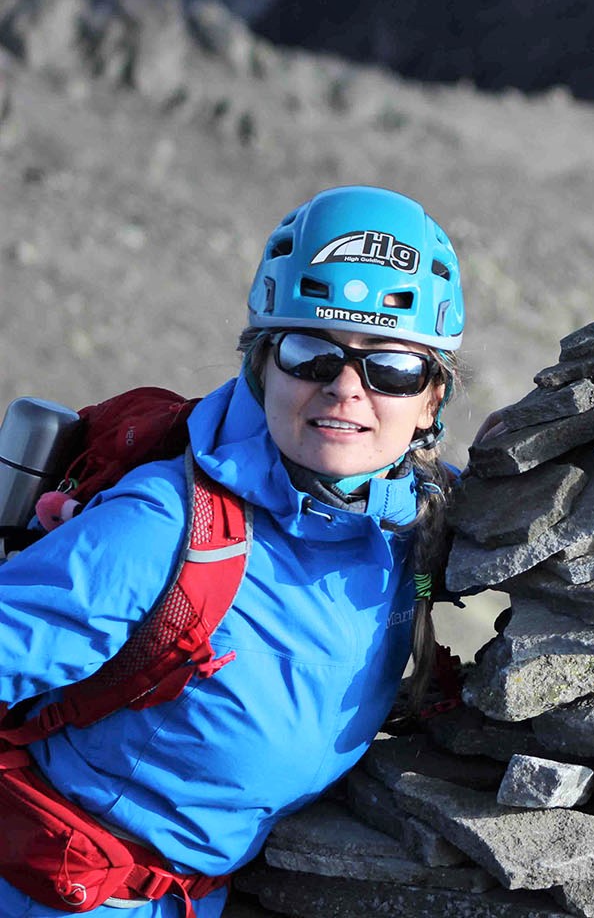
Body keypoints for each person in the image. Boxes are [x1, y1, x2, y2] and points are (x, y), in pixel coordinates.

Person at [0, 184, 465, 917]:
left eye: (394, 368)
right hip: (62, 893)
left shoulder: (420, 519)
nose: (346, 388)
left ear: (431, 399)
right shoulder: (162, 527)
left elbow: (548, 499)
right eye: (311, 353)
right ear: (261, 367)